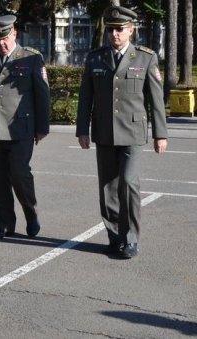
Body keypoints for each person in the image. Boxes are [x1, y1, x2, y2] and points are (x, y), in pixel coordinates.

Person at [76, 6, 167, 259]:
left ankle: (131, 239)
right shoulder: (95, 58)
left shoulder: (145, 57)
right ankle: (114, 236)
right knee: (107, 188)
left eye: (119, 29)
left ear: (131, 30)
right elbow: (86, 97)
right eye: (111, 29)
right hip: (104, 131)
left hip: (133, 133)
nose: (114, 34)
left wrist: (161, 134)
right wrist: (82, 129)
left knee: (128, 183)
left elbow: (156, 100)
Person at [0, 15, 51, 241]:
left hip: (21, 129)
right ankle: (4, 224)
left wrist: (42, 126)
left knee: (19, 174)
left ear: (14, 33)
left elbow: (42, 95)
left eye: (5, 38)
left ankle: (30, 212)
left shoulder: (32, 58)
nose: (1, 44)